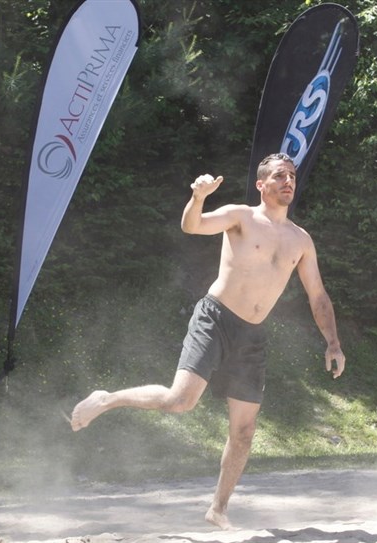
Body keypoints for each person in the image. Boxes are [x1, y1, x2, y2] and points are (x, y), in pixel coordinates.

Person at [69, 153, 346, 530]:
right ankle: (107, 399)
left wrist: (333, 342)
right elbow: (192, 225)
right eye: (280, 176)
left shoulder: (301, 240)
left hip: (252, 335)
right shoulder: (240, 216)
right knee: (180, 401)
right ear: (261, 185)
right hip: (215, 319)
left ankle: (218, 508)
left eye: (292, 176)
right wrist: (198, 197)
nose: (288, 182)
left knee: (244, 433)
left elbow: (318, 295)